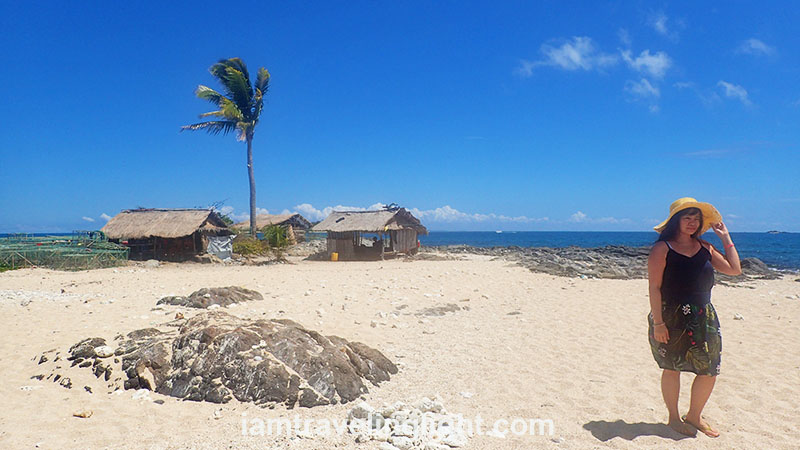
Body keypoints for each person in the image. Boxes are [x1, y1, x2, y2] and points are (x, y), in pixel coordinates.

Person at [647, 197, 741, 438]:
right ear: (675, 221)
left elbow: (734, 269)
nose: (692, 222)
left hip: (704, 315)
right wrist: (658, 323)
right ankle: (673, 418)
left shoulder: (705, 247)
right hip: (670, 315)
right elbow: (654, 288)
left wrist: (725, 238)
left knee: (709, 369)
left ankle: (694, 416)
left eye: (696, 219)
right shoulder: (662, 248)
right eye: (686, 217)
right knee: (672, 368)